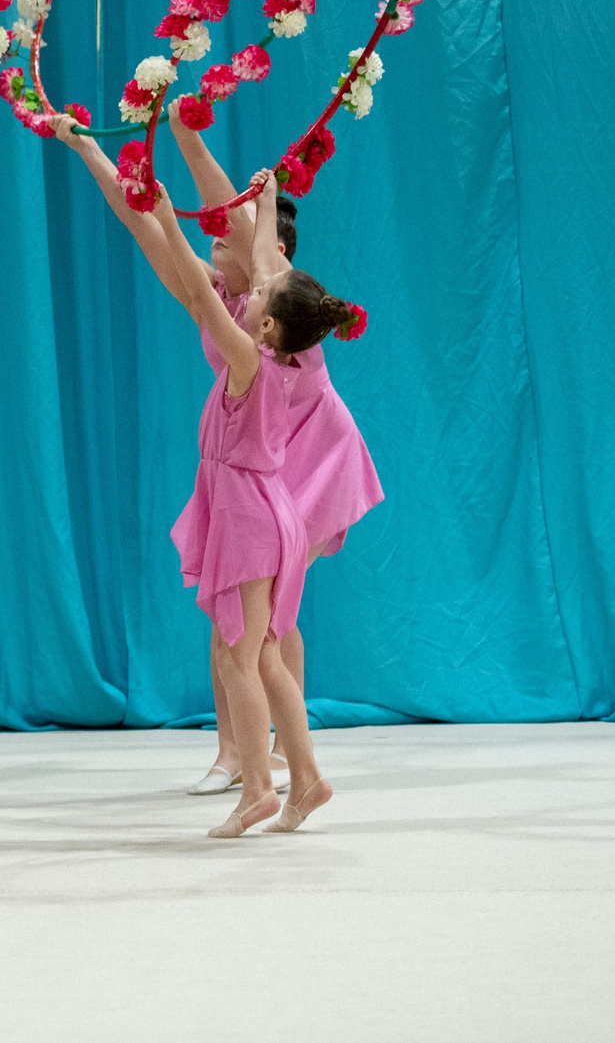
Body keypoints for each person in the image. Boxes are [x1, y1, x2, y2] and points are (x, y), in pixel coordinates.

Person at [55, 117, 345, 836]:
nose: (223, 247)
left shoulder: (251, 350)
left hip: (255, 503)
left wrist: (166, 197)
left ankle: (259, 788)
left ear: (268, 319)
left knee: (238, 653)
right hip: (262, 498)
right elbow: (203, 257)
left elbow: (194, 274)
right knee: (262, 651)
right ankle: (304, 777)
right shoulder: (269, 332)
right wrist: (101, 158)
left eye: (238, 246)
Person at [170, 126, 382, 797]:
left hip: (313, 459)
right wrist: (167, 147)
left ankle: (281, 754)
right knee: (239, 616)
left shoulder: (281, 305)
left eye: (226, 236)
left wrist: (190, 141)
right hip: (260, 460)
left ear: (273, 255)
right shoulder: (237, 305)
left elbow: (231, 215)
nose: (216, 237)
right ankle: (238, 751)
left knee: (265, 616)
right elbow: (198, 228)